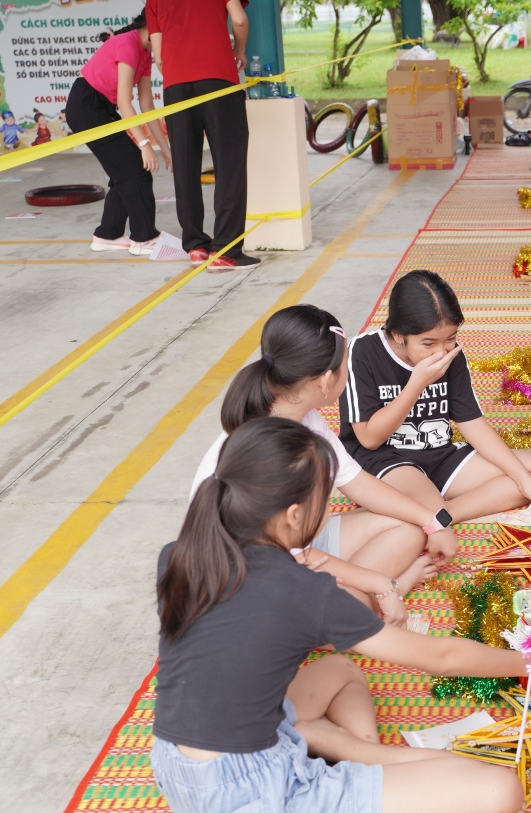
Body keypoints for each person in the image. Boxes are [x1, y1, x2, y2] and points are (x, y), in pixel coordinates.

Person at [154, 417, 531, 813]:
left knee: (341, 671)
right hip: (261, 806)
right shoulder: (299, 589)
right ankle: (380, 808)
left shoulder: (180, 554)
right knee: (500, 791)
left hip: (180, 770)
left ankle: (357, 764)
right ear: (296, 515)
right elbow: (442, 656)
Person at [191, 304, 460, 622]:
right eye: (347, 365)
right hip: (250, 576)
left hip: (296, 546)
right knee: (342, 615)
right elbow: (285, 557)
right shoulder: (265, 455)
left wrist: (432, 521)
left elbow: (357, 482)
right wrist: (383, 584)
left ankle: (364, 596)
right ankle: (379, 593)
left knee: (410, 528)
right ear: (325, 379)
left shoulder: (305, 418)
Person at [340, 270, 531, 522]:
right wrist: (416, 385)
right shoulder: (362, 352)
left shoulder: (450, 353)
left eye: (451, 338)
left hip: (439, 455)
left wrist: (522, 479)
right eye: (428, 343)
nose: (441, 352)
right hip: (384, 460)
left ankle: (440, 517)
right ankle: (428, 512)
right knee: (428, 502)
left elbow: (471, 423)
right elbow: (369, 439)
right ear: (399, 334)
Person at [146, 0, 259, 272]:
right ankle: (226, 250)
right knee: (229, 164)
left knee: (185, 164)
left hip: (176, 86)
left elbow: (159, 57)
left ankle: (196, 245)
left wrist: (180, 71)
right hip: (218, 78)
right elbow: (240, 20)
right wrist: (238, 50)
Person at [67, 11, 168, 255]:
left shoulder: (145, 53)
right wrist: (144, 145)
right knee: (137, 172)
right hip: (87, 107)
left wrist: (165, 149)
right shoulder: (128, 45)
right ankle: (144, 238)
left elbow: (147, 105)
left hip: (101, 109)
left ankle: (107, 235)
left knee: (125, 171)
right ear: (153, 26)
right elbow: (125, 102)